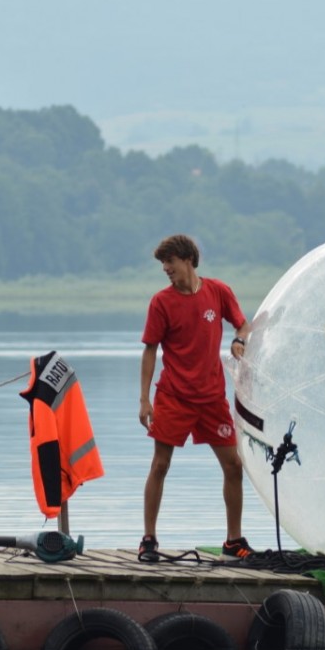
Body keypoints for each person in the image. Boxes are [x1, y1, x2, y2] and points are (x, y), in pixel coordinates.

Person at [138, 234, 252, 562]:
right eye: (162, 264)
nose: (165, 269)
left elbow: (243, 324)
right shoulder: (161, 302)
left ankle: (233, 540)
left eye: (169, 262)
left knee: (233, 465)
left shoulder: (218, 291)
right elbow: (150, 350)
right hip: (173, 396)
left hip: (212, 398)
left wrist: (239, 341)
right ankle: (148, 539)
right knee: (160, 464)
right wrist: (144, 399)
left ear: (187, 259)